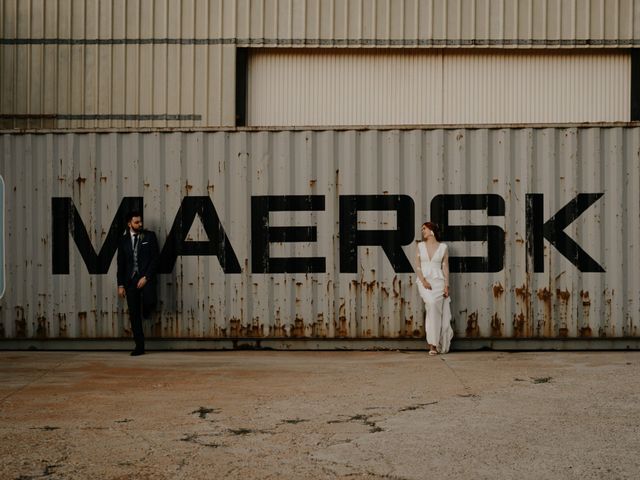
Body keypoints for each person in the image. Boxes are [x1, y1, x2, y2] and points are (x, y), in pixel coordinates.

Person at [117, 211, 159, 356]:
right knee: (134, 315)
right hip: (130, 281)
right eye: (136, 222)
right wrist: (120, 285)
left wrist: (146, 277)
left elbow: (155, 259)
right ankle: (139, 346)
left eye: (140, 222)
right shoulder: (123, 241)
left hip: (145, 279)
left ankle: (147, 309)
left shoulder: (149, 236)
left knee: (148, 303)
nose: (140, 224)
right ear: (129, 224)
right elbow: (120, 264)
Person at [415, 222, 454, 355]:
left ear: (432, 230)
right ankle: (432, 343)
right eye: (422, 229)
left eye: (424, 229)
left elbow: (445, 267)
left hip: (439, 282)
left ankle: (433, 344)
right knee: (431, 304)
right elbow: (418, 266)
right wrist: (423, 281)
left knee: (435, 311)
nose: (422, 231)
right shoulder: (420, 246)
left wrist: (446, 285)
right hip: (424, 281)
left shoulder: (443, 247)